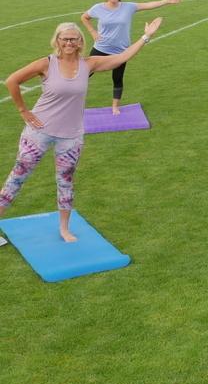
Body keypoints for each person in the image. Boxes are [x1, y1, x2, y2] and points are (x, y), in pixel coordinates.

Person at [0, 19, 162, 242]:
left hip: (72, 135)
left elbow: (122, 58)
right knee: (18, 176)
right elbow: (12, 80)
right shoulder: (46, 63)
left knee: (65, 181)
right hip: (39, 131)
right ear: (57, 41)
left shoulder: (89, 64)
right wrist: (23, 111)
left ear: (80, 42)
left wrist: (146, 36)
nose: (69, 43)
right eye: (65, 39)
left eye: (73, 39)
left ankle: (64, 229)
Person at [80, 0, 181, 115]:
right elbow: (84, 17)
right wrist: (93, 31)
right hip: (101, 48)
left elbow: (148, 5)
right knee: (83, 74)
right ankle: (72, 101)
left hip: (121, 51)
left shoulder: (128, 7)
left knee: (117, 78)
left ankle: (115, 107)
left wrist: (165, 1)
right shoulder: (98, 8)